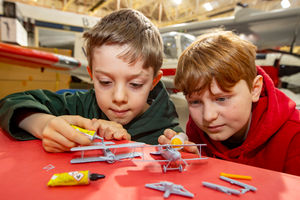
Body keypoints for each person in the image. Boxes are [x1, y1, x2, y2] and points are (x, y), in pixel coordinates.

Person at [0, 8, 182, 152]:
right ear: (91, 75)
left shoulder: (166, 131)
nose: (119, 97)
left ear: (154, 81)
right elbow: (10, 102)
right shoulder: (82, 105)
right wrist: (43, 124)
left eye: (135, 84)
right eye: (105, 82)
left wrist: (183, 148)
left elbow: (184, 151)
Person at [158, 31, 300, 176]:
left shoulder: (294, 137)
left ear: (255, 89)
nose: (208, 116)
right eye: (195, 102)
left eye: (221, 99)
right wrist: (195, 165)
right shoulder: (198, 129)